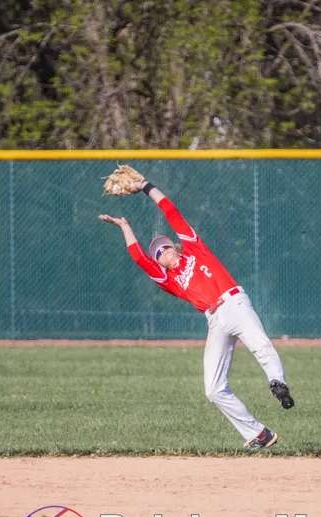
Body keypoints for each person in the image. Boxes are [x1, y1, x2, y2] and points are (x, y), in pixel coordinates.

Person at [98, 175, 296, 449]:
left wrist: (145, 186)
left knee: (261, 347)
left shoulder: (194, 249)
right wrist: (124, 226)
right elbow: (139, 259)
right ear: (159, 264)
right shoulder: (170, 281)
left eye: (165, 246)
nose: (162, 251)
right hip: (215, 320)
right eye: (158, 253)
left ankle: (277, 383)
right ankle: (259, 434)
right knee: (213, 389)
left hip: (234, 303)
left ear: (175, 246)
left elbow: (170, 210)